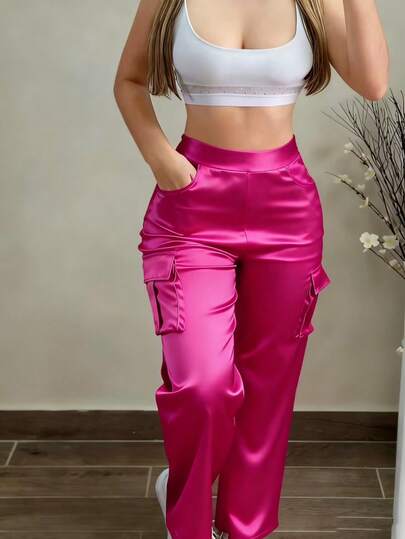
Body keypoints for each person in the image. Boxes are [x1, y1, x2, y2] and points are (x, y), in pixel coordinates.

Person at [113, 0, 389, 537]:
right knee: (202, 385)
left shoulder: (314, 2)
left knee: (267, 390)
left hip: (286, 211)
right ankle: (188, 519)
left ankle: (245, 529)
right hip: (191, 209)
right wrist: (161, 159)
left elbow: (373, 84)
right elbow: (129, 80)